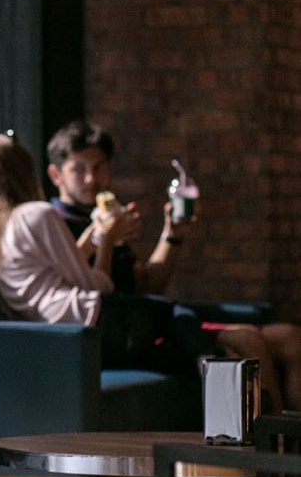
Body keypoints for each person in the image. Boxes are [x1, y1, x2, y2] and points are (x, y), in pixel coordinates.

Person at [46, 120, 301, 411]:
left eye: (99, 167)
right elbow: (84, 293)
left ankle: (291, 448)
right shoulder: (54, 225)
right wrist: (104, 238)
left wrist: (172, 235)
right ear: (56, 175)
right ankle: (272, 445)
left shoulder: (108, 215)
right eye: (79, 169)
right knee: (248, 341)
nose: (91, 179)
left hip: (148, 315)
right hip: (124, 331)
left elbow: (146, 285)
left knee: (292, 338)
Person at [0, 133, 208, 378]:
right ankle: (223, 388)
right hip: (84, 323)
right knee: (175, 312)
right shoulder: (35, 215)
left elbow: (43, 273)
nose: (90, 179)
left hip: (46, 337)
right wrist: (107, 239)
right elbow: (94, 285)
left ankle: (217, 378)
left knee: (171, 351)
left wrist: (95, 238)